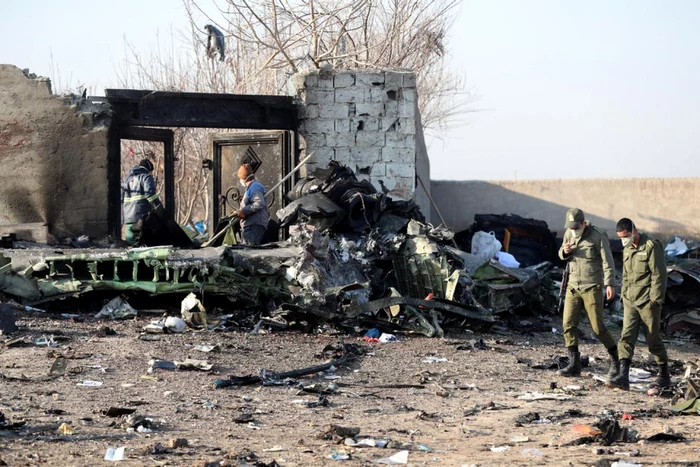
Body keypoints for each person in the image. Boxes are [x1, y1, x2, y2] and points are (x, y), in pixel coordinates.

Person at [607, 218, 669, 390]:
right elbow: (625, 274)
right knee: (626, 337)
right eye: (620, 237)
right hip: (630, 300)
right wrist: (624, 295)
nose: (623, 240)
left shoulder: (651, 246)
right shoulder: (627, 248)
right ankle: (623, 377)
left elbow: (659, 274)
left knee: (652, 339)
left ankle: (664, 375)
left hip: (647, 302)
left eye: (626, 236)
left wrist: (655, 299)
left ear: (635, 230)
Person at [557, 208, 618, 377]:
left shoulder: (598, 235)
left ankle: (616, 360)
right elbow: (561, 253)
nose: (574, 231)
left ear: (583, 224)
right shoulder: (569, 233)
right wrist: (564, 252)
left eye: (577, 227)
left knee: (598, 328)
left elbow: (608, 261)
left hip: (592, 286)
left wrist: (610, 284)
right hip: (573, 286)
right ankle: (574, 365)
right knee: (568, 325)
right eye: (571, 228)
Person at [121, 158, 160, 245]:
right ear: (149, 169)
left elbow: (121, 197)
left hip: (128, 218)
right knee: (143, 245)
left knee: (131, 245)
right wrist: (158, 207)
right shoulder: (146, 177)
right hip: (141, 217)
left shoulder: (126, 180)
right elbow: (149, 194)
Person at [236, 163, 269, 245]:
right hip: (252, 224)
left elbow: (259, 203)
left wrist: (243, 211)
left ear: (243, 178)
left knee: (248, 251)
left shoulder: (255, 187)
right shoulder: (252, 187)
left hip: (254, 225)